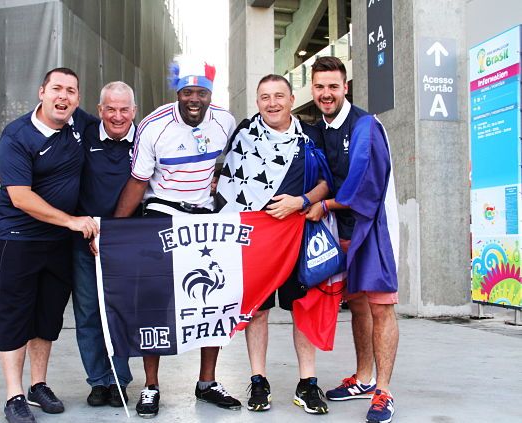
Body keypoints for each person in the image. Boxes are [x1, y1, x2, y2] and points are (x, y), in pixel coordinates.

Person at [113, 56, 240, 418]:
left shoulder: (225, 122)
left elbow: (234, 167)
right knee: (154, 302)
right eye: (188, 92)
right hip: (161, 216)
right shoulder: (153, 126)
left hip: (206, 218)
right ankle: (151, 386)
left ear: (210, 95)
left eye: (202, 92)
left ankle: (207, 382)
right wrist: (118, 230)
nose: (195, 99)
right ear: (178, 93)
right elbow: (138, 181)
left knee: (213, 300)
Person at [216, 74, 331, 415]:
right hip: (255, 240)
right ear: (257, 101)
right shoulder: (244, 135)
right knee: (258, 310)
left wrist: (301, 201)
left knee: (302, 307)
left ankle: (307, 383)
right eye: (265, 97)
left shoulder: (309, 136)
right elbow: (226, 182)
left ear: (292, 99)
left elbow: (327, 182)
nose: (272, 103)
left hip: (298, 234)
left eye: (279, 95)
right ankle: (258, 379)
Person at [0, 67, 99, 423]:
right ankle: (14, 394)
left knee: (47, 318)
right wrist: (71, 220)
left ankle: (39, 385)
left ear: (78, 99)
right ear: (41, 92)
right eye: (57, 88)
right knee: (15, 316)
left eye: (71, 91)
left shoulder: (79, 124)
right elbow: (21, 197)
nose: (64, 96)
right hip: (19, 239)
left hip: (58, 243)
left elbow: (118, 124)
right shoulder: (17, 135)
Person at [308, 56, 399, 423]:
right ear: (312, 89)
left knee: (381, 307)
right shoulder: (317, 129)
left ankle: (384, 391)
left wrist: (324, 204)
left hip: (372, 229)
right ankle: (363, 378)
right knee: (358, 306)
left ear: (345, 87)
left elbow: (366, 185)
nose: (326, 93)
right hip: (340, 232)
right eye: (319, 87)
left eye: (333, 86)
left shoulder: (366, 126)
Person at [72, 81, 138, 408]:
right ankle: (97, 380)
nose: (117, 115)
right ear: (99, 111)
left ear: (134, 112)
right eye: (110, 108)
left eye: (124, 109)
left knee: (120, 313)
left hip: (126, 242)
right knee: (88, 313)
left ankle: (119, 380)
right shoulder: (83, 135)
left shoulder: (143, 141)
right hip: (84, 241)